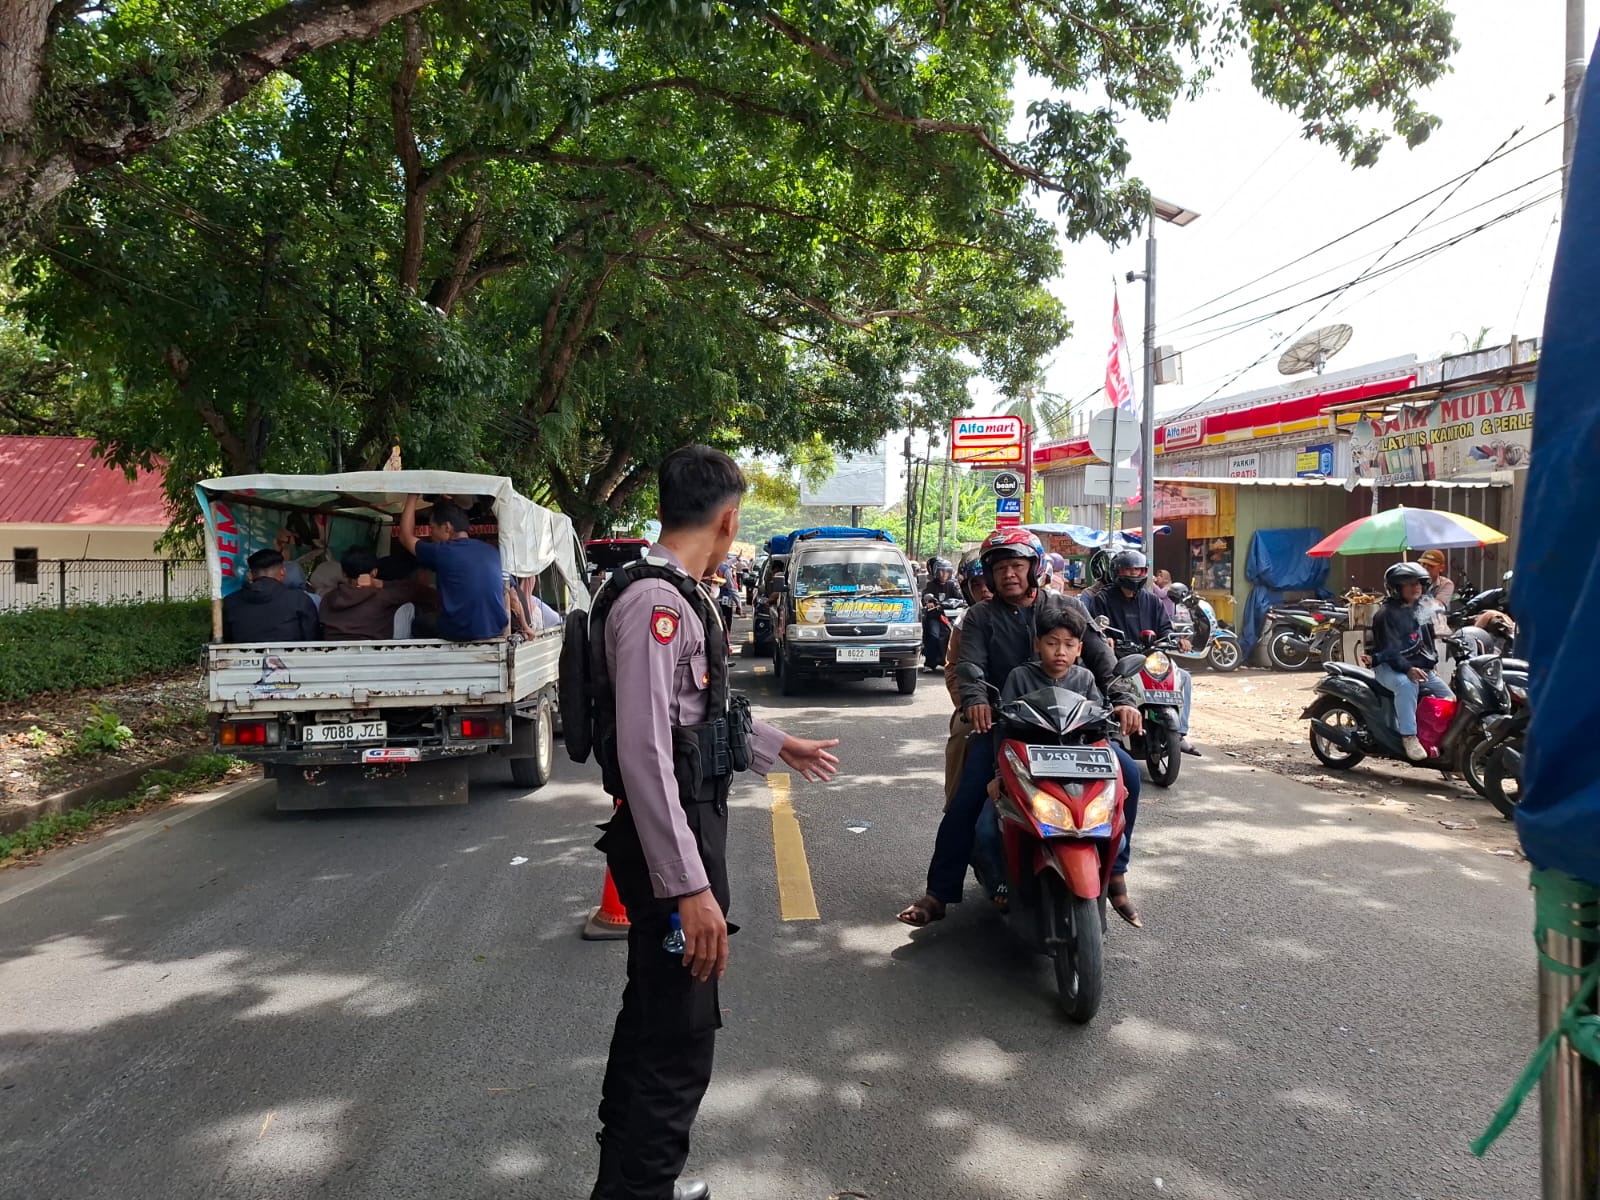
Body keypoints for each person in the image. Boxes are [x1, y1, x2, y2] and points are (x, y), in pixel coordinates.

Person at [588, 445, 841, 1200]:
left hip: (682, 828)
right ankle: (644, 1189)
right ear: (729, 520)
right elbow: (645, 750)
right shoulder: (657, 606)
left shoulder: (671, 594)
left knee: (653, 1016)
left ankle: (627, 1186)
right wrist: (688, 887)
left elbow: (697, 714)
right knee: (681, 1034)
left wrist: (777, 744)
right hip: (674, 840)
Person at [898, 528, 1147, 929]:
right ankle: (939, 893)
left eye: (1016, 565)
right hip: (1007, 729)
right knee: (966, 801)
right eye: (1000, 568)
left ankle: (1116, 872)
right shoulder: (979, 617)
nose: (1009, 574)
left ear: (1035, 568)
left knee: (1128, 775)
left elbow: (1103, 661)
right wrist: (976, 701)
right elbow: (970, 666)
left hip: (1076, 730)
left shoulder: (1068, 607)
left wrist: (1124, 700)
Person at [1087, 550, 1201, 758]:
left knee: (1183, 677)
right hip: (1119, 657)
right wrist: (1105, 638)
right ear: (1117, 572)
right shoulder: (1102, 598)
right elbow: (1096, 627)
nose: (1133, 574)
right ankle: (1108, 728)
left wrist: (1178, 640)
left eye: (1138, 570)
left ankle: (1179, 733)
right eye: (1128, 570)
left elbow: (1165, 628)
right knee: (1103, 682)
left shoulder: (1152, 600)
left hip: (1149, 656)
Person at [1371, 561, 1454, 762]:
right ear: (1396, 588)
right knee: (1407, 685)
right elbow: (1390, 650)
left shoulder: (1421, 610)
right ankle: (1409, 736)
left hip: (1419, 667)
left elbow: (1428, 640)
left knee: (1449, 698)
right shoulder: (1385, 615)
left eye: (1418, 583)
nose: (1415, 587)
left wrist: (1432, 661)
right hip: (1390, 667)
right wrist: (1408, 669)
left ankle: (1434, 738)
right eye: (1409, 584)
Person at [397, 496, 508, 640]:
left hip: (459, 632)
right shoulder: (492, 552)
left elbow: (405, 537)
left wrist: (412, 496)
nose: (431, 534)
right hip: (496, 630)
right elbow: (508, 591)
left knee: (419, 623)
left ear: (447, 527)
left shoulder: (442, 551)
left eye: (432, 528)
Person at [941, 559, 992, 809]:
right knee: (963, 736)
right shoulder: (966, 621)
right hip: (981, 708)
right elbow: (953, 669)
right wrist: (969, 704)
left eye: (988, 583)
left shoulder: (1045, 609)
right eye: (977, 585)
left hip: (1033, 712)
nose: (985, 590)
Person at [318, 546, 419, 640]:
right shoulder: (383, 597)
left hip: (334, 651)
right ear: (374, 572)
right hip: (374, 651)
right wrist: (380, 583)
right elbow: (414, 590)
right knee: (408, 606)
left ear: (343, 573)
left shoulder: (328, 598)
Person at [222, 549, 320, 643]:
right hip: (293, 655)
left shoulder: (230, 602)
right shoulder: (300, 600)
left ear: (250, 576)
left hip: (241, 655)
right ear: (283, 572)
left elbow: (225, 641)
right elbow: (312, 640)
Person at [921, 557, 960, 671]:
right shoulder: (931, 585)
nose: (944, 574)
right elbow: (925, 597)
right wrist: (928, 602)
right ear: (936, 572)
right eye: (942, 571)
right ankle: (930, 663)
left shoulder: (952, 585)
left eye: (947, 571)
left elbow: (960, 598)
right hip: (935, 617)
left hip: (950, 617)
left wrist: (960, 602)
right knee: (934, 636)